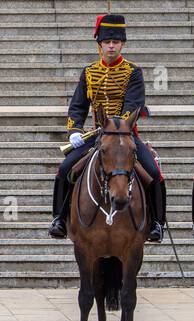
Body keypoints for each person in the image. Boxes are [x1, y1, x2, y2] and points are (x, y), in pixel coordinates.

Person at [47, 13, 166, 242]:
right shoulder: (89, 72)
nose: (111, 46)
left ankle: (157, 223)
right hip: (96, 136)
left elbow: (133, 106)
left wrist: (115, 129)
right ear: (100, 44)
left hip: (125, 136)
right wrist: (74, 131)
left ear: (122, 44)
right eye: (107, 43)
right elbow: (77, 106)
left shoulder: (133, 72)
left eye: (116, 42)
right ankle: (59, 219)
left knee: (154, 173)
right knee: (64, 170)